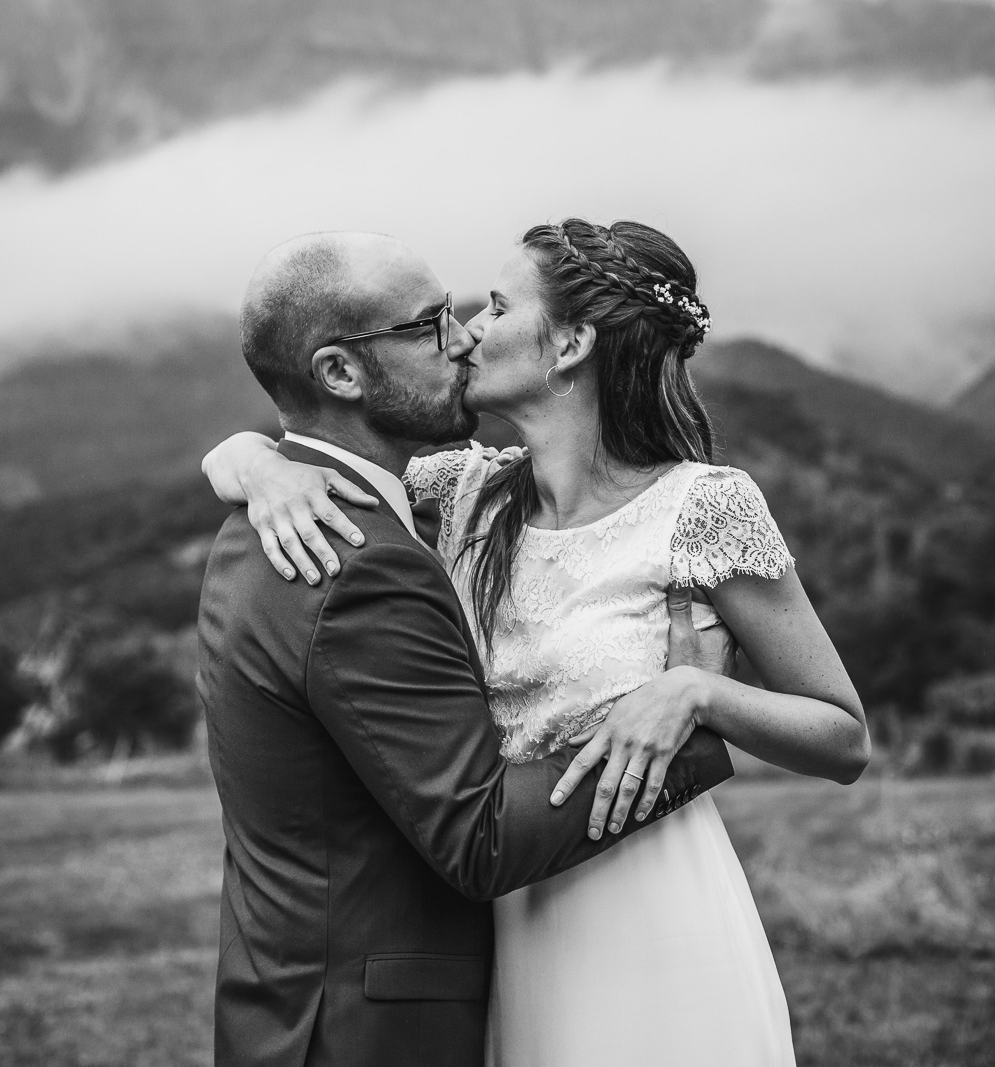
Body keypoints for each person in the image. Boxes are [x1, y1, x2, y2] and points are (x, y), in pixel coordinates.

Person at [205, 218, 871, 1066]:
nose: (469, 329)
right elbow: (324, 434)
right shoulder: (461, 492)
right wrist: (253, 461)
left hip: (652, 902)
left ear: (570, 345)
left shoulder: (704, 508)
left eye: (498, 306)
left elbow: (844, 734)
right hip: (510, 919)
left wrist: (698, 694)